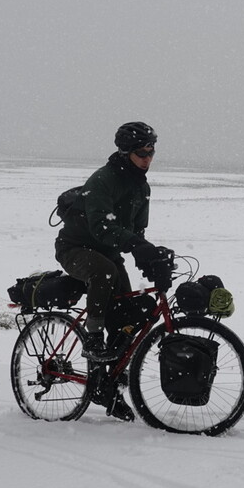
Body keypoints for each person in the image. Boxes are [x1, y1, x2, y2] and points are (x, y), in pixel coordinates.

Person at [55, 122, 174, 364]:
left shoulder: (142, 188)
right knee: (105, 272)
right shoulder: (103, 180)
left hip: (109, 253)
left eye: (151, 152)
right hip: (75, 248)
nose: (147, 159)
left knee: (125, 317)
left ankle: (108, 387)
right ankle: (94, 338)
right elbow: (101, 227)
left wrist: (148, 257)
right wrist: (135, 245)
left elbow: (137, 232)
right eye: (141, 153)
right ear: (125, 152)